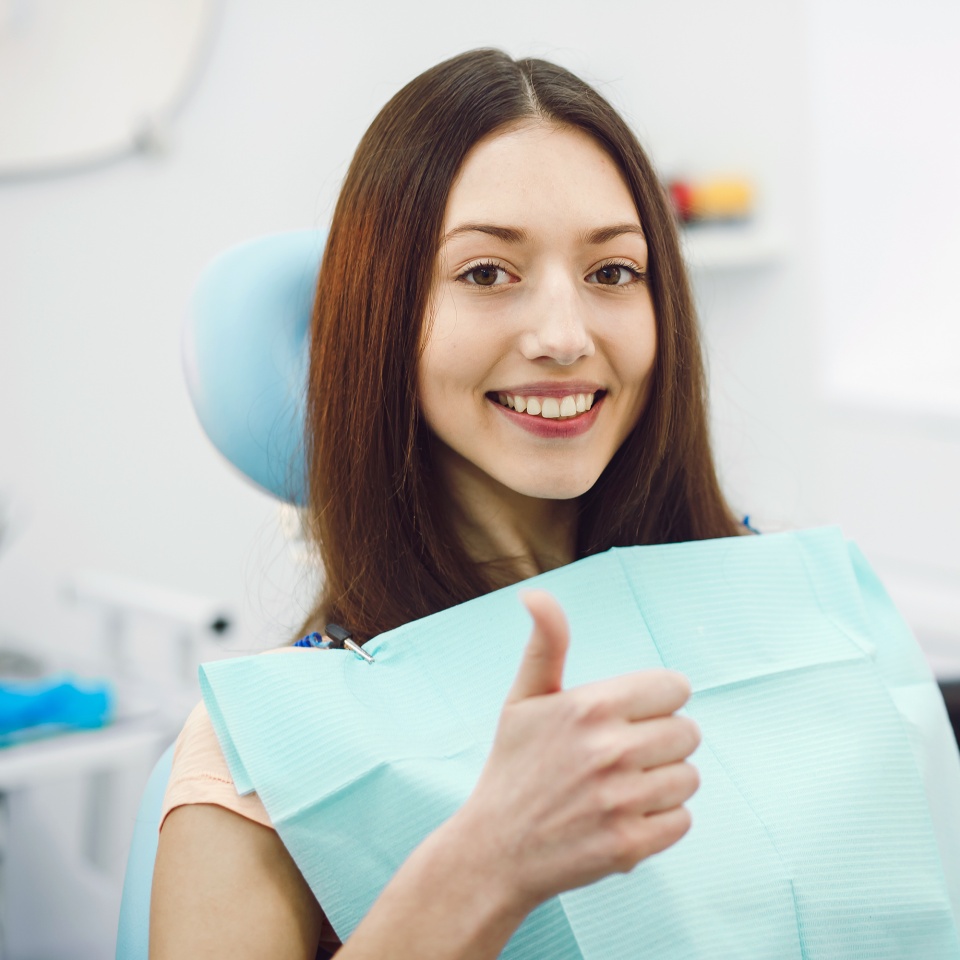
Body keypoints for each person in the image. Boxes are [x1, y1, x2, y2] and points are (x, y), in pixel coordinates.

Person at [151, 48, 745, 959]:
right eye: (485, 274)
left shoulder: (764, 604)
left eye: (614, 272)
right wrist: (483, 868)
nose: (562, 336)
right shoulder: (259, 757)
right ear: (383, 319)